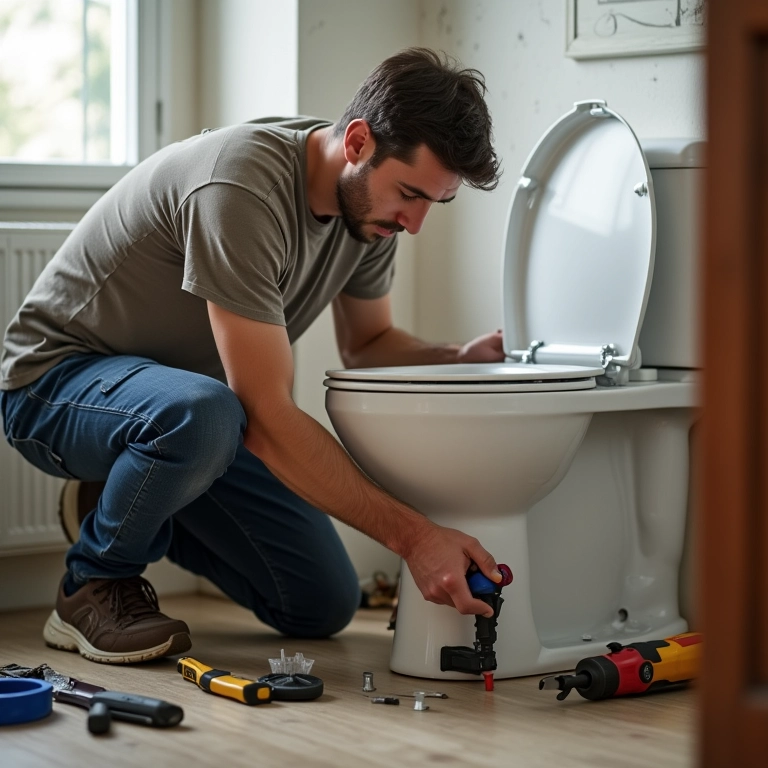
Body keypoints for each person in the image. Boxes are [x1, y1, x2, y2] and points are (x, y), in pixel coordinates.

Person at [0, 47, 504, 665]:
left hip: (184, 414)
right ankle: (92, 582)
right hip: (53, 382)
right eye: (409, 193)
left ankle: (120, 499)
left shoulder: (373, 216)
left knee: (320, 604)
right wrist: (415, 538)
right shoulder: (241, 184)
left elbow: (370, 344)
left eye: (433, 202)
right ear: (357, 142)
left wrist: (461, 356)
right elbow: (263, 415)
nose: (416, 222)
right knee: (211, 412)